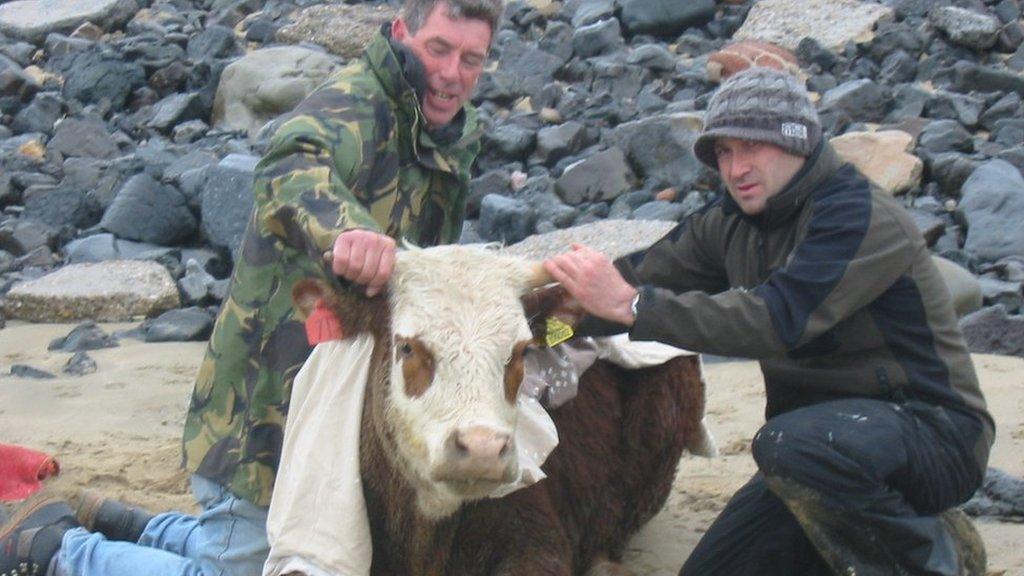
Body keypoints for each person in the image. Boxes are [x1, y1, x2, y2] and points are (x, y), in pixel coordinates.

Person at [0, 1, 502, 575]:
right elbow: (292, 165)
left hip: (339, 402)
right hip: (264, 406)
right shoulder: (349, 108)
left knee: (255, 542)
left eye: (471, 60)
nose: (451, 73)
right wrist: (348, 232)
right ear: (399, 34)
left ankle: (116, 520)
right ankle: (53, 551)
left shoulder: (446, 136)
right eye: (438, 49)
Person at [544, 67, 994, 575]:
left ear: (797, 141)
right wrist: (540, 329)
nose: (736, 168)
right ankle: (891, 534)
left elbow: (777, 319)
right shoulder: (731, 221)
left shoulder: (857, 216)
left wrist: (634, 306)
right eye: (725, 153)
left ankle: (935, 561)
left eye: (751, 147)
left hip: (931, 433)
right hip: (812, 457)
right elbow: (625, 286)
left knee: (789, 443)